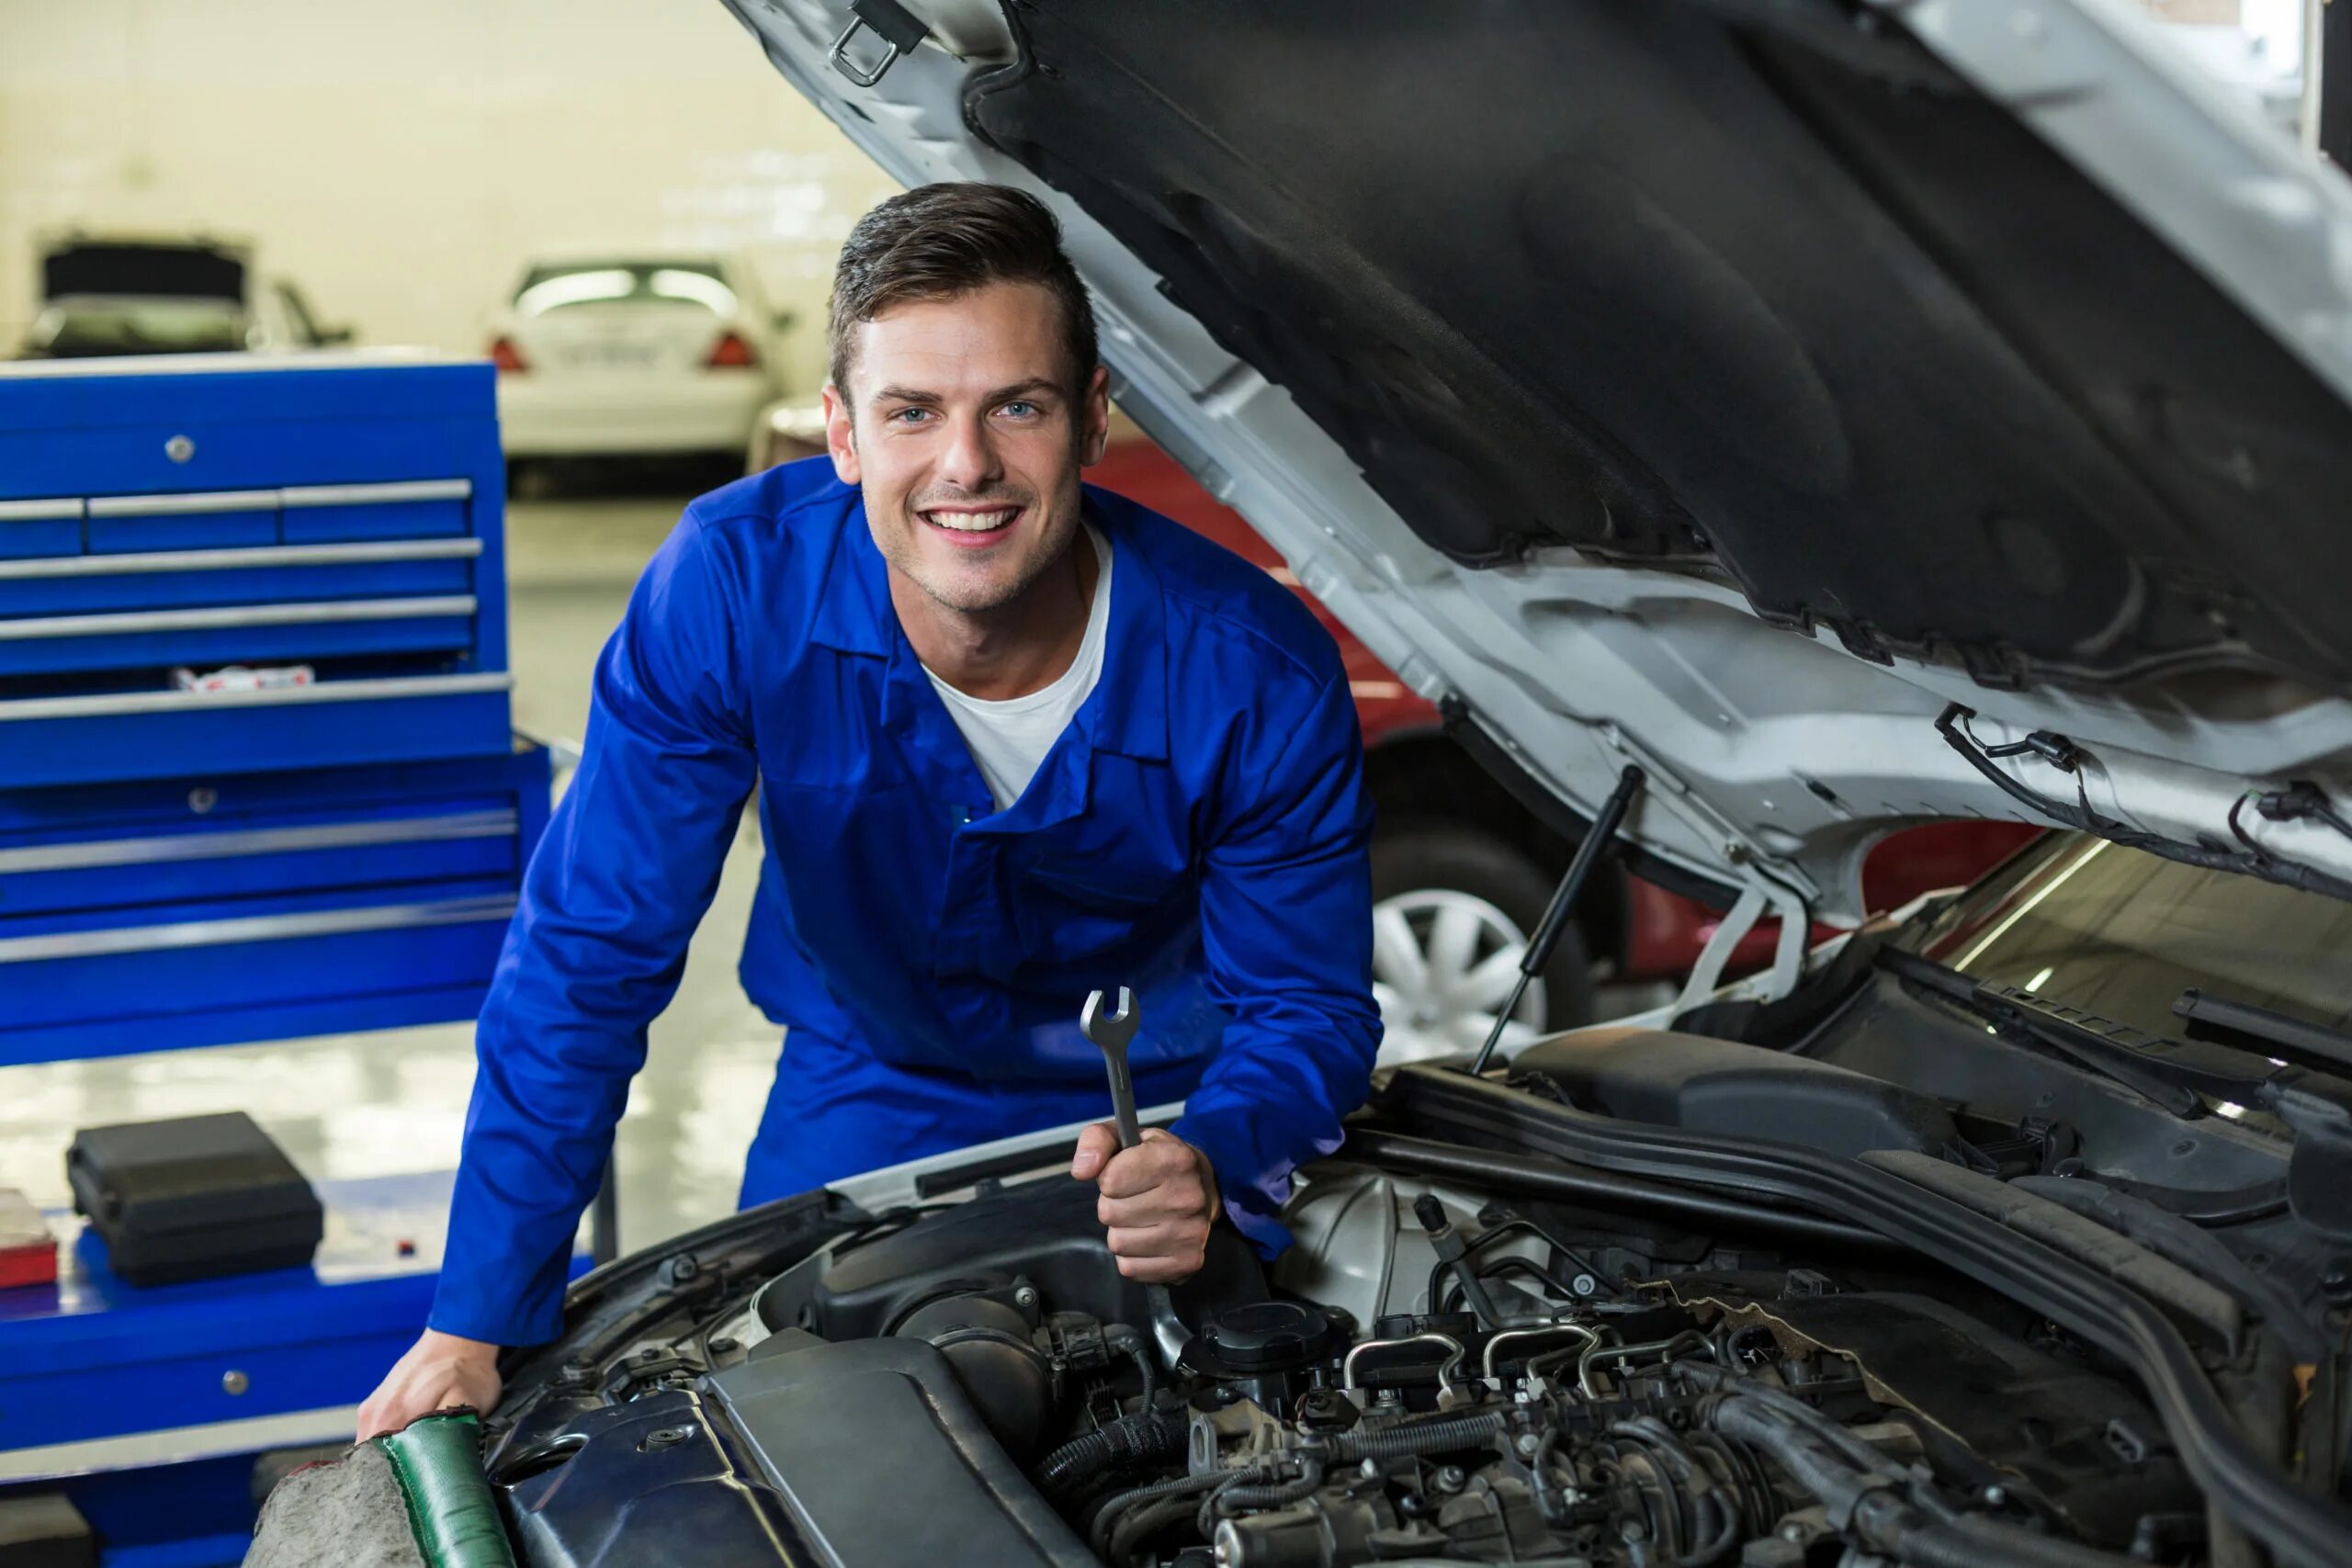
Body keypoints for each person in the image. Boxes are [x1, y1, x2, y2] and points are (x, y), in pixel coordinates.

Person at [356, 183, 1380, 1438]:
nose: (967, 466)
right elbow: (588, 957)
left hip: (1160, 1113)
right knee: (774, 1434)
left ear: (1094, 416)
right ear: (841, 435)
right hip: (864, 1082)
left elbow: (1307, 1006)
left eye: (1019, 405)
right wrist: (474, 1319)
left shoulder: (1252, 669)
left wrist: (1220, 1150)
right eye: (913, 412)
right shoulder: (735, 593)